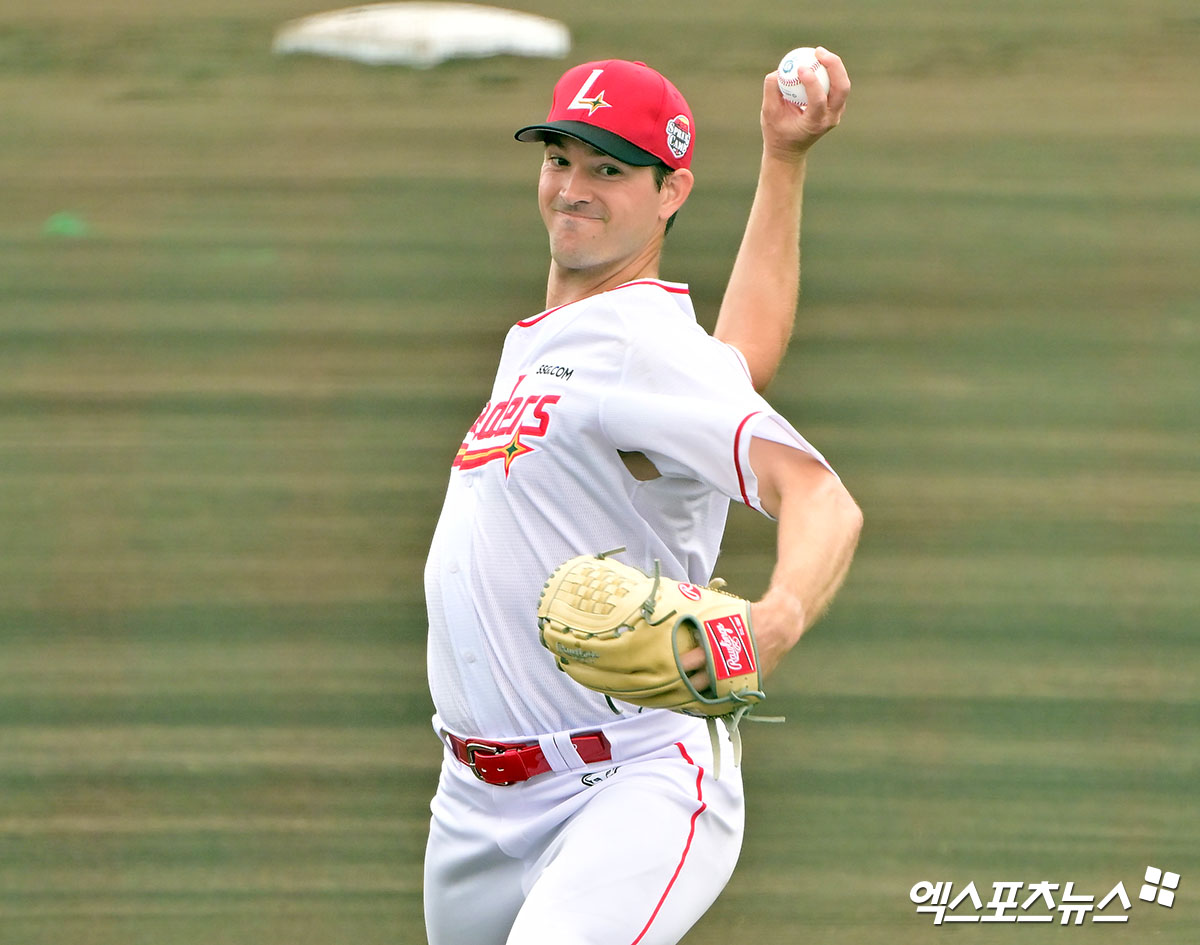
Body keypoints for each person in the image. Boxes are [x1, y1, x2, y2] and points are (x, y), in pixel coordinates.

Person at [423, 51, 861, 945]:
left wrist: (772, 624)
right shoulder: (555, 340)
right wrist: (783, 161)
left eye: (610, 170)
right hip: (472, 805)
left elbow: (821, 495)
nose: (574, 188)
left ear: (671, 192)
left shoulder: (640, 345)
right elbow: (738, 367)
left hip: (629, 786)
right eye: (560, 159)